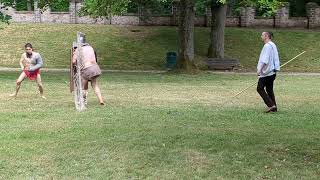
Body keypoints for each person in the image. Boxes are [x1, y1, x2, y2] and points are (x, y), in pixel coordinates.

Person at [257, 31, 280, 113]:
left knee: (259, 88)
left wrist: (259, 69)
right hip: (272, 73)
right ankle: (274, 107)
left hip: (266, 73)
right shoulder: (273, 45)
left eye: (262, 35)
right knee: (269, 90)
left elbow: (265, 60)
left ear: (266, 36)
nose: (261, 36)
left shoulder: (267, 46)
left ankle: (271, 105)